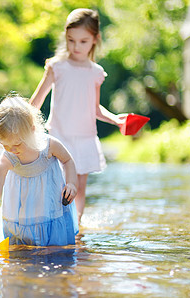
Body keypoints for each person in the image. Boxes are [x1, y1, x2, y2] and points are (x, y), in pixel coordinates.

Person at [29, 8, 127, 223]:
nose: (76, 47)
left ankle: (76, 227)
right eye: (71, 40)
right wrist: (22, 123)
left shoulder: (96, 72)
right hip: (59, 137)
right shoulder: (57, 66)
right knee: (54, 184)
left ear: (95, 39)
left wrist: (116, 119)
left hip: (84, 138)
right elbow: (35, 102)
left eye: (83, 41)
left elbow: (95, 109)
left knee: (79, 188)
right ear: (66, 37)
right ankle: (50, 223)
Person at [0, 94, 79, 248]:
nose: (12, 149)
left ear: (32, 130)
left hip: (51, 207)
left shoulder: (49, 146)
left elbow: (68, 160)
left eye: (17, 143)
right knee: (21, 253)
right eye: (5, 145)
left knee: (57, 251)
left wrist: (71, 183)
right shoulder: (7, 159)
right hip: (22, 217)